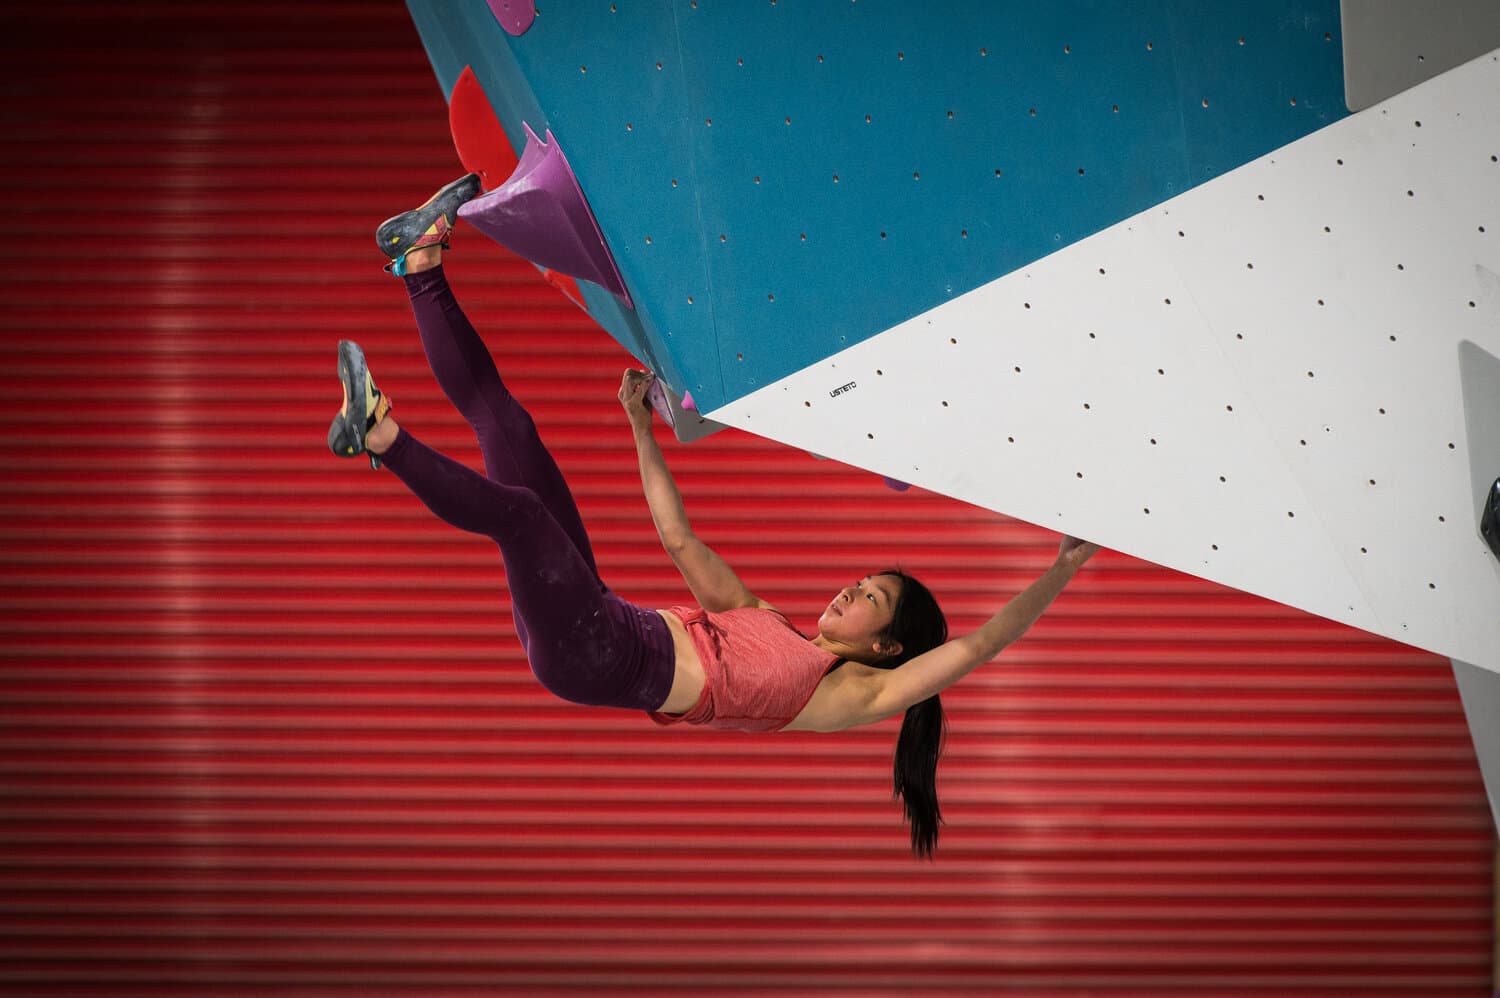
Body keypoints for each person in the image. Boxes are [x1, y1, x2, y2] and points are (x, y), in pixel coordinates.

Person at [328, 175, 1103, 857]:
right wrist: (639, 426)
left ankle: (381, 434)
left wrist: (1060, 569)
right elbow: (678, 537)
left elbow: (975, 648)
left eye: (871, 597)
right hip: (599, 616)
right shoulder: (761, 618)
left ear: (887, 645)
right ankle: (418, 263)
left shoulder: (845, 695)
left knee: (525, 517)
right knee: (510, 428)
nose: (850, 589)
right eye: (862, 578)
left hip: (599, 656)